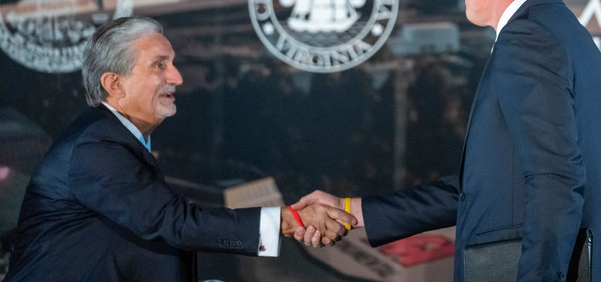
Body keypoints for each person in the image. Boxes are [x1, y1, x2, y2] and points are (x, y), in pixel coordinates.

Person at [292, 0, 601, 281]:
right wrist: (351, 210)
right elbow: (477, 190)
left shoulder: (527, 38)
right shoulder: (560, 31)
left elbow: (556, 178)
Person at [4, 16, 356, 282]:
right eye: (160, 65)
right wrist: (289, 221)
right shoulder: (96, 146)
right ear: (114, 83)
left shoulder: (112, 139)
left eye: (172, 63)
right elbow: (172, 222)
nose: (177, 77)